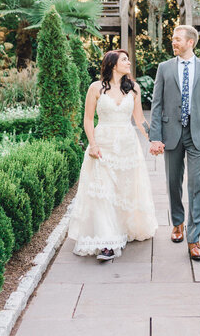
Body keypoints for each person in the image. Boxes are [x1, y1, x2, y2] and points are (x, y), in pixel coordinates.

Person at [68, 49, 158, 260]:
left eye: (128, 59)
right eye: (124, 60)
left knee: (123, 191)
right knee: (103, 192)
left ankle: (122, 227)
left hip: (127, 146)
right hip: (103, 145)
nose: (128, 63)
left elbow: (139, 121)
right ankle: (107, 242)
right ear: (112, 64)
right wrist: (92, 144)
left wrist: (153, 139)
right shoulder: (96, 88)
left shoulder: (133, 88)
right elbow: (88, 119)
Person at [149, 25, 200, 261]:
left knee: (196, 186)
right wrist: (155, 136)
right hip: (171, 132)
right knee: (172, 182)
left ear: (191, 42)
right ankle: (177, 223)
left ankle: (194, 238)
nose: (173, 42)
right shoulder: (164, 68)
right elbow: (156, 105)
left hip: (198, 132)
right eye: (172, 39)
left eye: (178, 39)